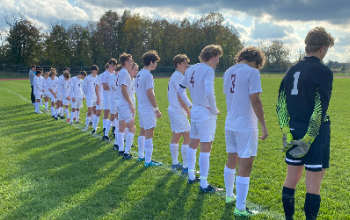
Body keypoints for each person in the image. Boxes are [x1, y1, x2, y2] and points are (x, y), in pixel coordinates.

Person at [276, 27, 334, 220]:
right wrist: (308, 138)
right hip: (314, 134)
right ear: (323, 49)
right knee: (313, 186)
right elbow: (319, 110)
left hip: (293, 129)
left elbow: (281, 105)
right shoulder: (323, 71)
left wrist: (287, 132)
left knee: (290, 180)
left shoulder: (291, 69)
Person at [223, 46, 268, 216]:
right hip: (246, 125)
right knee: (245, 165)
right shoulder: (252, 72)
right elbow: (255, 100)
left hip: (230, 123)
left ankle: (229, 196)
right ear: (256, 61)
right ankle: (240, 208)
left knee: (231, 158)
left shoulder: (228, 72)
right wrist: (263, 125)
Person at [178, 45, 222, 193]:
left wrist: (191, 105)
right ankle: (203, 184)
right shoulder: (208, 70)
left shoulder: (190, 69)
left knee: (193, 144)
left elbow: (180, 89)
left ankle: (191, 175)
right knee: (205, 148)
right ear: (213, 56)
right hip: (205, 113)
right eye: (218, 58)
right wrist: (214, 109)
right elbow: (209, 91)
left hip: (196, 111)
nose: (218, 61)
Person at [135, 50, 162, 167]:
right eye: (155, 62)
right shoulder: (148, 75)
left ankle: (141, 156)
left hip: (141, 107)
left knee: (142, 131)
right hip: (147, 108)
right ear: (151, 62)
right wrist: (156, 109)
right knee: (149, 133)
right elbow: (150, 93)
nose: (156, 64)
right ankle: (148, 160)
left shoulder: (139, 73)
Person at [167, 54, 191, 173]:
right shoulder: (178, 76)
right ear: (177, 64)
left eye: (186, 62)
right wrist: (188, 110)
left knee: (176, 136)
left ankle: (175, 163)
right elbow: (180, 95)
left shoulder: (178, 75)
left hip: (174, 109)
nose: (186, 65)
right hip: (177, 110)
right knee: (189, 136)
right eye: (183, 63)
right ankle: (186, 167)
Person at [115, 53, 136, 159]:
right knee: (132, 128)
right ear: (126, 62)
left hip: (120, 104)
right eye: (131, 61)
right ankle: (126, 153)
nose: (132, 63)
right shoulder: (124, 73)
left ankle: (121, 150)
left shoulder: (121, 73)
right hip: (124, 104)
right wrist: (131, 104)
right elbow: (124, 90)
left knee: (121, 128)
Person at [100, 59, 118, 136]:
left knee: (114, 114)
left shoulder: (115, 74)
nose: (113, 67)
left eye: (115, 66)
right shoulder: (104, 74)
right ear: (109, 65)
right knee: (107, 113)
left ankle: (114, 128)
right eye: (112, 65)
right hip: (107, 96)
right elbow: (104, 87)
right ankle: (105, 128)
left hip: (114, 97)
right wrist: (112, 86)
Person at [83, 65, 99, 131]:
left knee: (94, 111)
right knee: (89, 111)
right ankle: (86, 126)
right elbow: (84, 87)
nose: (96, 71)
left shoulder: (98, 78)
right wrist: (87, 94)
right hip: (89, 97)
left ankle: (93, 124)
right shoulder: (87, 78)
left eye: (97, 70)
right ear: (91, 70)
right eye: (95, 70)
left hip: (96, 97)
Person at [92, 64, 107, 135]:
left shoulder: (112, 75)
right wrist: (98, 98)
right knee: (98, 113)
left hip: (108, 98)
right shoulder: (101, 76)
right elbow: (96, 88)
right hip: (101, 98)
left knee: (106, 114)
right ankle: (94, 128)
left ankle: (105, 128)